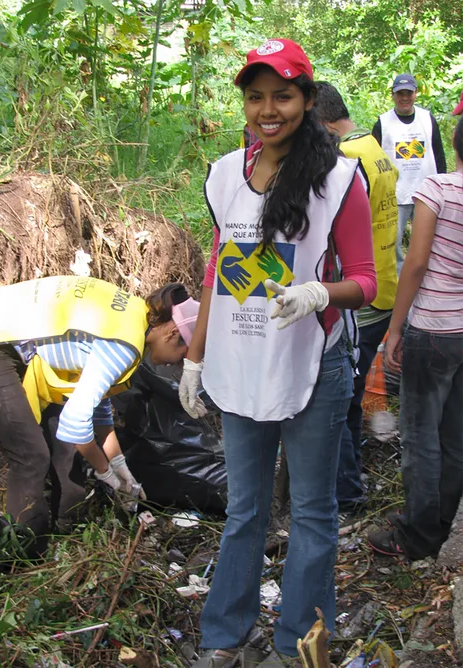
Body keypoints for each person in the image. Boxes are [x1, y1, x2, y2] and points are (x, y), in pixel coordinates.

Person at [179, 39, 377, 664]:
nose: (269, 109)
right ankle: (223, 637)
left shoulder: (340, 178)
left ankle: (299, 645)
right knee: (245, 510)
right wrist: (194, 355)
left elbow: (369, 279)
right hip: (240, 364)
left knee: (314, 514)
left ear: (308, 100)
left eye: (283, 95)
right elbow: (218, 270)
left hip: (314, 365)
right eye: (256, 96)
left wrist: (318, 292)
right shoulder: (223, 175)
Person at [0, 276, 198, 544]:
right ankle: (23, 549)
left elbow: (96, 406)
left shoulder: (135, 318)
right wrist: (105, 472)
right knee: (31, 456)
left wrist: (120, 466)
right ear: (173, 334)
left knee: (63, 449)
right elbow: (75, 423)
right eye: (182, 358)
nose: (173, 366)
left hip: (4, 332)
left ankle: (64, 531)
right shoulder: (126, 345)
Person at [368, 115, 463, 560]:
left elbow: (417, 261)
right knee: (455, 435)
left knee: (421, 435)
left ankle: (417, 536)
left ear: (454, 145)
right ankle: (442, 524)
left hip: (433, 330)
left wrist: (394, 327)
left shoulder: (438, 189)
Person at [314, 81, 398, 514]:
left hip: (357, 298)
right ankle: (353, 476)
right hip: (386, 284)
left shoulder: (345, 160)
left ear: (321, 122)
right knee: (354, 391)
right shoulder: (376, 150)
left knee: (342, 401)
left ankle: (346, 492)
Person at [372, 73, 446, 273]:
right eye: (400, 93)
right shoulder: (383, 122)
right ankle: (399, 279)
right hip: (396, 194)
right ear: (393, 95)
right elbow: (373, 158)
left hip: (427, 191)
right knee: (392, 243)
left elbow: (438, 153)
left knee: (430, 241)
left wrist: (443, 186)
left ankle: (428, 277)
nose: (405, 98)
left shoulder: (427, 119)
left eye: (409, 93)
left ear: (416, 94)